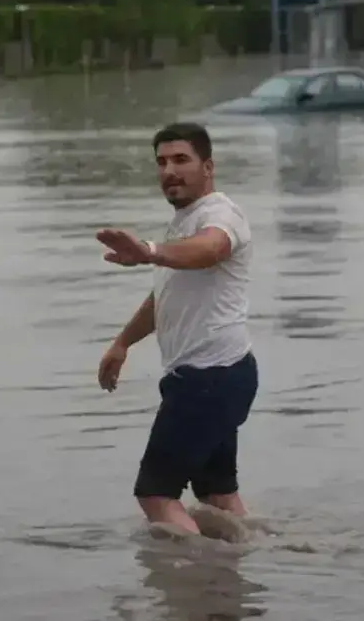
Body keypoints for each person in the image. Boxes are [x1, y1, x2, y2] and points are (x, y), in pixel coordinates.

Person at [95, 121, 258, 534]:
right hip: (220, 377)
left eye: (181, 159)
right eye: (162, 162)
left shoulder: (221, 215)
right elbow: (165, 297)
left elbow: (212, 249)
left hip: (209, 378)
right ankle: (253, 565)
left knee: (155, 494)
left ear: (208, 166)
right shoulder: (184, 222)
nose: (170, 170)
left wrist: (150, 251)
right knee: (217, 497)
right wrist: (122, 343)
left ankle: (195, 585)